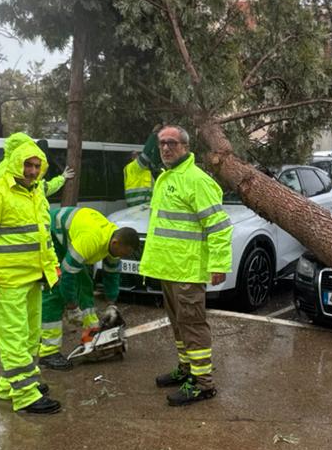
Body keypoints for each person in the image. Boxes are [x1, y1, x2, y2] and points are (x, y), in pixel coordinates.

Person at [0, 133, 63, 417]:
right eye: (27, 165)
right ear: (15, 163)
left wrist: (52, 265)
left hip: (32, 279)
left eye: (36, 166)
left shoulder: (35, 194)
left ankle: (11, 385)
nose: (31, 171)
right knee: (14, 340)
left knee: (30, 337)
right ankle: (26, 395)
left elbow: (44, 237)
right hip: (6, 283)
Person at [140, 125, 232, 405]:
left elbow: (219, 227)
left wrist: (218, 265)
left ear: (186, 148)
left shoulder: (196, 180)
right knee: (178, 325)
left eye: (172, 143)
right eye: (162, 144)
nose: (166, 148)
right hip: (168, 269)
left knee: (192, 325)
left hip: (188, 270)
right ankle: (186, 370)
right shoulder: (165, 178)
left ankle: (203, 383)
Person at [38, 206, 142, 370]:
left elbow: (111, 274)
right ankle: (48, 353)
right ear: (116, 243)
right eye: (123, 253)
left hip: (71, 236)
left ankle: (91, 329)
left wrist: (111, 304)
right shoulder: (92, 240)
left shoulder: (114, 240)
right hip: (51, 233)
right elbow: (67, 274)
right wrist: (72, 307)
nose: (122, 257)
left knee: (85, 281)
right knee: (56, 288)